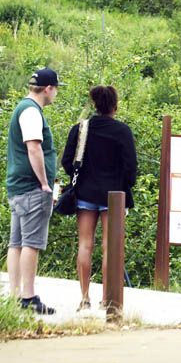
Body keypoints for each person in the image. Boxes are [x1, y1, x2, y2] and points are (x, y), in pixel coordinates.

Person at [61, 85, 137, 312]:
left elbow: (67, 161)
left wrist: (82, 180)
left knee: (85, 245)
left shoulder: (81, 129)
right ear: (115, 106)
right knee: (109, 248)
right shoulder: (122, 131)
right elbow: (131, 168)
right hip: (114, 196)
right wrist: (123, 186)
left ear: (95, 104)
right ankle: (108, 299)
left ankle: (84, 298)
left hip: (85, 194)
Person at [5, 68, 62, 315]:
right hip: (31, 187)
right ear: (48, 88)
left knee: (16, 242)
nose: (56, 94)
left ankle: (15, 295)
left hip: (18, 186)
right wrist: (45, 183)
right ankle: (28, 297)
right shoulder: (31, 111)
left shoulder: (24, 107)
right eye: (56, 89)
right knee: (31, 242)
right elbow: (34, 148)